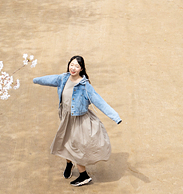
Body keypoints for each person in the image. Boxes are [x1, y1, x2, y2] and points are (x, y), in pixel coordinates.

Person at [33, 55, 122, 186]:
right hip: (66, 117)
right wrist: (35, 80)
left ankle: (83, 175)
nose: (73, 68)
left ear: (81, 69)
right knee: (65, 141)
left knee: (75, 146)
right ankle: (69, 165)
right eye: (72, 64)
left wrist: (115, 117)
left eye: (77, 66)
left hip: (79, 121)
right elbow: (49, 79)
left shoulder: (85, 86)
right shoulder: (63, 78)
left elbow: (99, 101)